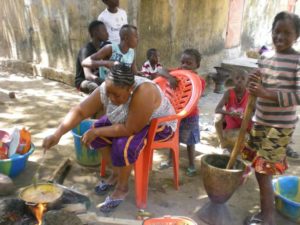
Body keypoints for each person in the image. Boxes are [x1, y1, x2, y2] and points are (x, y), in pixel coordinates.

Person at [42, 64, 177, 213]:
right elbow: (80, 111)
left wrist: (99, 132)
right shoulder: (108, 88)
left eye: (117, 95)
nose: (111, 99)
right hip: (127, 120)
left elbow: (130, 129)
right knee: (92, 133)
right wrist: (57, 134)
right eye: (108, 93)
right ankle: (117, 173)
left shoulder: (144, 91)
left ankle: (122, 187)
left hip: (158, 124)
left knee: (122, 145)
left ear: (130, 89)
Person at [242, 11, 300, 225]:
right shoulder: (265, 57)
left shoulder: (296, 61)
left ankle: (268, 218)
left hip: (280, 126)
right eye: (277, 32)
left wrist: (267, 93)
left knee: (263, 170)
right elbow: (257, 87)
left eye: (287, 33)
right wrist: (253, 83)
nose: (280, 37)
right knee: (259, 169)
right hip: (260, 120)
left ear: (297, 36)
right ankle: (266, 212)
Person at [159, 49, 205, 177]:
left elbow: (193, 95)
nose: (184, 65)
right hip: (175, 114)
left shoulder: (199, 80)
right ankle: (170, 160)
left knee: (190, 141)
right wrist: (170, 77)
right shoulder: (178, 72)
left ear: (197, 65)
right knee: (174, 137)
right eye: (183, 62)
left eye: (189, 63)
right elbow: (160, 70)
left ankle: (191, 164)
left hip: (190, 115)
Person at [214, 70, 250, 152]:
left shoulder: (250, 95)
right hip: (230, 119)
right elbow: (217, 109)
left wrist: (245, 115)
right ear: (234, 80)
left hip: (243, 121)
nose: (239, 80)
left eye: (243, 79)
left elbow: (254, 111)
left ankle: (241, 146)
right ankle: (222, 142)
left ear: (247, 82)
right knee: (217, 119)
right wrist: (229, 113)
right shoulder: (229, 93)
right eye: (237, 78)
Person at [75, 20, 111, 94]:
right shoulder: (86, 50)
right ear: (95, 33)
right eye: (104, 31)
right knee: (94, 87)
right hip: (84, 81)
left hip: (99, 78)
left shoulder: (105, 48)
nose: (107, 33)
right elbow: (88, 75)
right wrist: (104, 82)